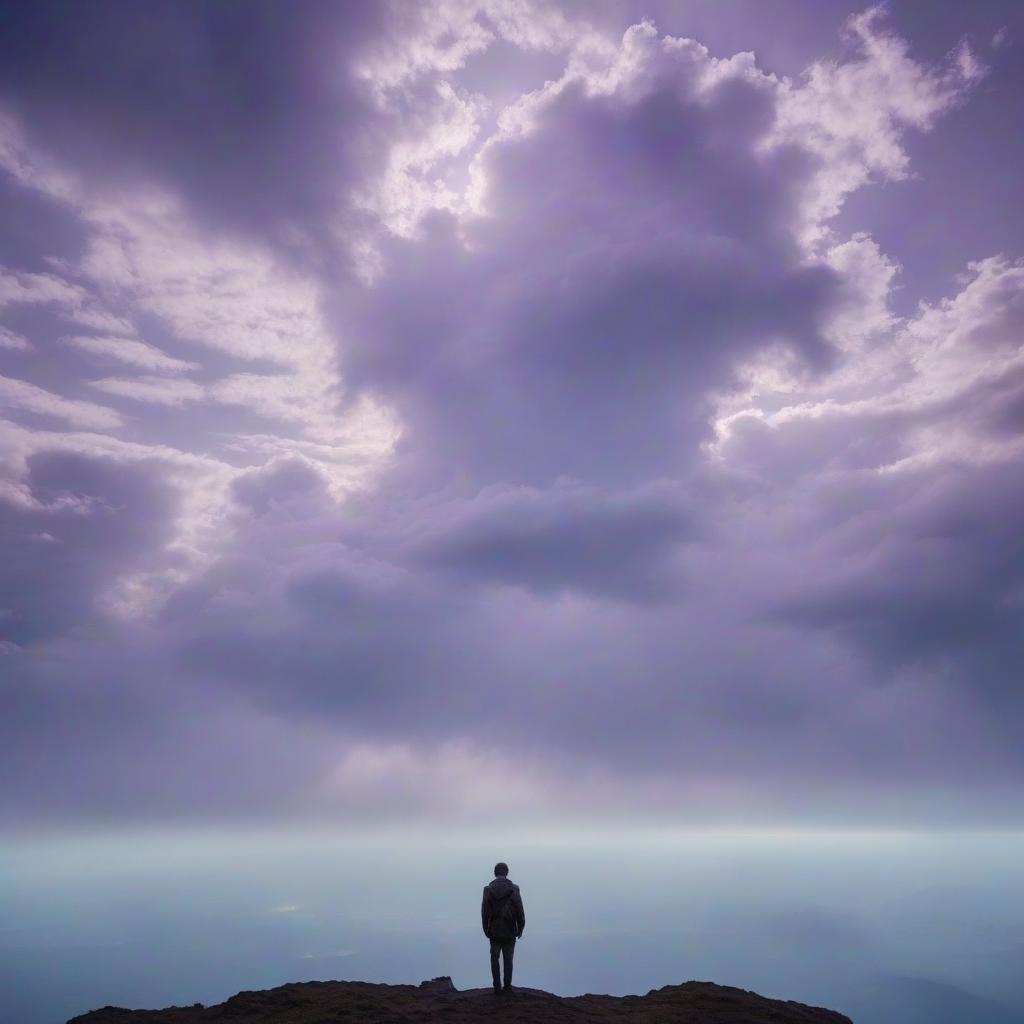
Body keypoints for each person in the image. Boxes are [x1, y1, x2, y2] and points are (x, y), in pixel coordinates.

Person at [481, 861, 525, 994]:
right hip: (510, 930)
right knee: (508, 959)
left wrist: (486, 929)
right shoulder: (514, 889)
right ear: (506, 872)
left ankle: (496, 987)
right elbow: (520, 911)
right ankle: (507, 986)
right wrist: (521, 928)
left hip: (494, 930)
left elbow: (485, 913)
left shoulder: (488, 889)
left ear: (495, 873)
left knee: (494, 958)